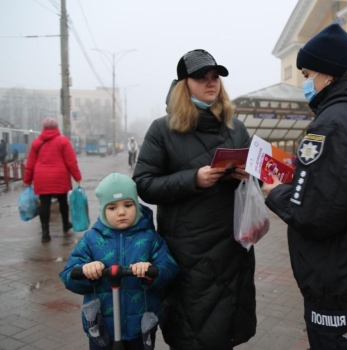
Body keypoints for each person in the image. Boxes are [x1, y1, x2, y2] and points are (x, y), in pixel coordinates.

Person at [262, 23, 347, 350]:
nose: (306, 83)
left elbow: (316, 214)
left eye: (308, 74)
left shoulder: (334, 123)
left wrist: (275, 192)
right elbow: (343, 185)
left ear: (330, 74)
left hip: (336, 283)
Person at [132, 49, 256, 350]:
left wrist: (248, 174)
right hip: (188, 253)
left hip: (232, 247)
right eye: (201, 78)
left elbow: (259, 171)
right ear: (183, 85)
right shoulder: (163, 129)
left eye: (215, 77)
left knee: (225, 331)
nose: (210, 83)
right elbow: (144, 184)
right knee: (192, 333)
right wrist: (193, 179)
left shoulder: (235, 128)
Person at [60, 173, 180, 350]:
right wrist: (85, 271)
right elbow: (68, 275)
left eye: (128, 205)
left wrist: (151, 272)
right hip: (101, 327)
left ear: (137, 205)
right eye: (112, 207)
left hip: (140, 327)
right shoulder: (91, 240)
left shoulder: (150, 238)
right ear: (103, 210)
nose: (121, 212)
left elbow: (169, 268)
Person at [23, 117, 82, 242]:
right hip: (60, 177)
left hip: (42, 178)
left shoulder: (37, 142)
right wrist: (77, 177)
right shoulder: (63, 141)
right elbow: (71, 161)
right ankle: (66, 225)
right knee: (63, 202)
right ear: (56, 128)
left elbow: (30, 163)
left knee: (44, 204)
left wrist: (27, 180)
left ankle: (45, 232)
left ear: (43, 128)